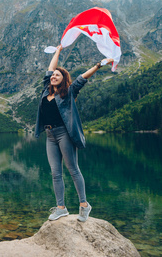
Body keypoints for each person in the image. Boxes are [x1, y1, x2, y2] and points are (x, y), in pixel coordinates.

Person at [35, 44, 113, 222]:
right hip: (50, 136)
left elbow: (81, 79)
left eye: (57, 75)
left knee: (73, 170)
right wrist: (58, 51)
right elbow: (49, 68)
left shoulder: (68, 92)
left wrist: (98, 65)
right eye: (53, 74)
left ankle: (84, 205)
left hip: (64, 134)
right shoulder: (45, 89)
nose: (53, 75)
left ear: (63, 80)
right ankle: (61, 208)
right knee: (56, 173)